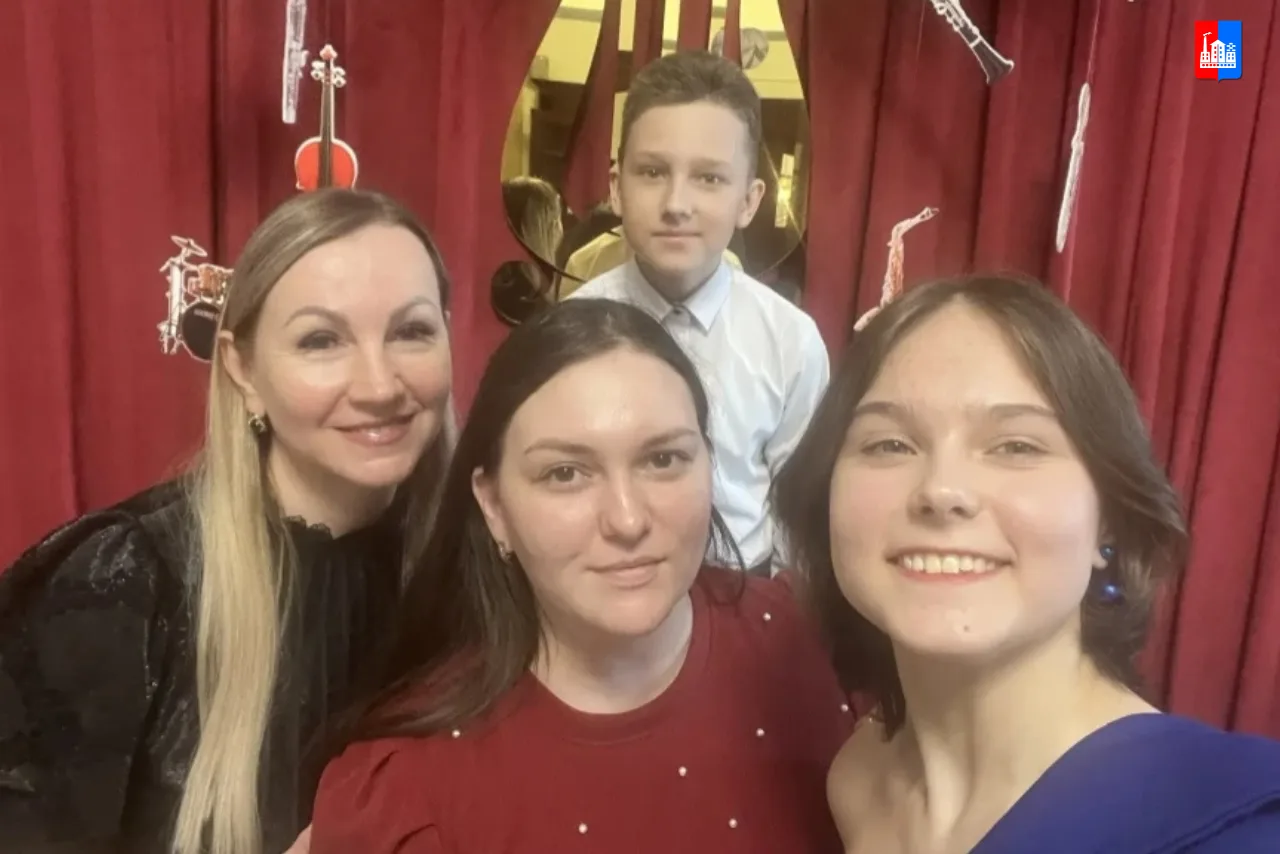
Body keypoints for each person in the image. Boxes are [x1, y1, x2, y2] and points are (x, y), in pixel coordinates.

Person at [0, 188, 456, 854]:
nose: (380, 385)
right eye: (321, 340)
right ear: (242, 368)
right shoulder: (127, 582)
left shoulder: (474, 570)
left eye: (412, 331)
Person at [310, 299, 853, 853]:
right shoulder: (410, 790)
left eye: (663, 459)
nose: (628, 520)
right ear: (493, 504)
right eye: (565, 473)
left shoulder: (822, 641)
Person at [773, 273, 1280, 853]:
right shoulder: (857, 778)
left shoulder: (1240, 832)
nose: (941, 490)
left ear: (1108, 520)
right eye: (889, 444)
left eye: (1016, 446)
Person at [566, 51, 829, 575]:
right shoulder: (570, 330)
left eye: (708, 178)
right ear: (616, 188)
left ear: (749, 201)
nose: (676, 204)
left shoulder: (790, 342)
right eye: (653, 172)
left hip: (746, 587)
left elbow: (799, 503)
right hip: (609, 577)